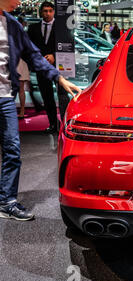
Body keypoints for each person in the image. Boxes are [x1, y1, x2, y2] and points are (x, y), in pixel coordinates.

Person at [0, 0, 81, 220]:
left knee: (12, 150)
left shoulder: (13, 25)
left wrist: (60, 78)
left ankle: (6, 201)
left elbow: (34, 56)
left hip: (6, 97)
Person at [27, 1, 70, 133]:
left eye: (50, 11)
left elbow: (68, 45)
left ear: (54, 12)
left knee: (63, 95)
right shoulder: (33, 28)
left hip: (60, 66)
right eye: (45, 11)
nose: (48, 13)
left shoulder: (61, 27)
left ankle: (65, 123)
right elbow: (29, 47)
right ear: (41, 12)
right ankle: (53, 124)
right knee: (47, 97)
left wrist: (54, 56)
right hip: (42, 67)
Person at [16, 16, 30, 119]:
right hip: (16, 61)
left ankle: (22, 110)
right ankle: (20, 110)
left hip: (20, 62)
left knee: (20, 88)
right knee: (18, 88)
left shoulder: (24, 35)